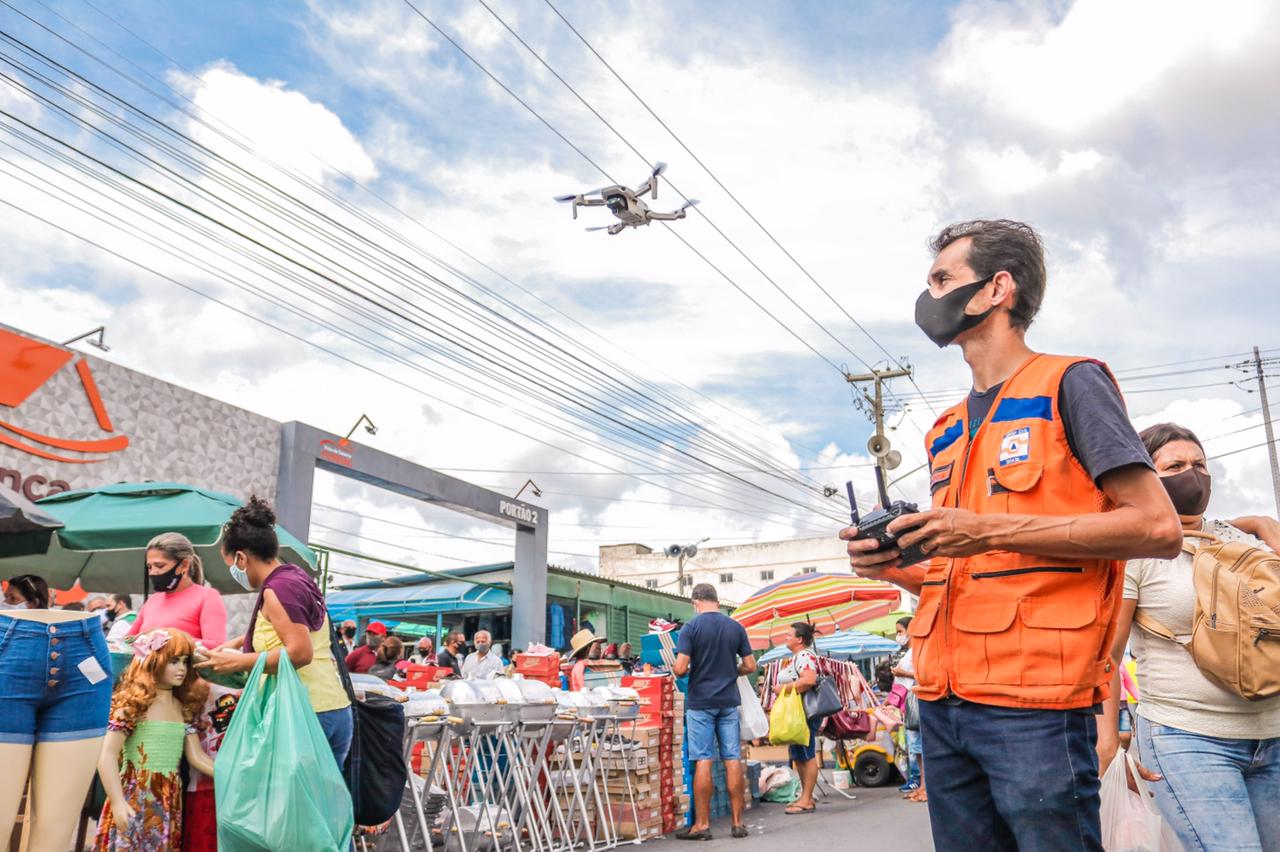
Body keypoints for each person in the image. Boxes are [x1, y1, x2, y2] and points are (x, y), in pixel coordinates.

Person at [843, 219, 1183, 852]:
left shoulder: (1070, 383)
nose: (929, 296)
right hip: (943, 699)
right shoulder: (945, 429)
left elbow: (1156, 527)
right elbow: (965, 569)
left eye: (943, 279)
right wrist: (890, 565)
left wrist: (985, 528)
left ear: (997, 288)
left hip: (1036, 702)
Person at [1096, 423, 1280, 851]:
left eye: (1199, 464)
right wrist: (1109, 747)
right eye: (1175, 465)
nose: (1192, 474)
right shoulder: (1131, 551)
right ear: (1146, 478)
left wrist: (1261, 523)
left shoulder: (1239, 539)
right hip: (1187, 739)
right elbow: (1108, 654)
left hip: (1271, 736)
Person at [198, 496, 353, 772]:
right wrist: (234, 645)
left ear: (242, 558)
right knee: (319, 808)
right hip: (329, 707)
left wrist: (237, 662)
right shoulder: (295, 577)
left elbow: (300, 653)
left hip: (306, 713)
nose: (232, 571)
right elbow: (281, 632)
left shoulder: (278, 590)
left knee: (291, 811)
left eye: (230, 564)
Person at [94, 628, 214, 851]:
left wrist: (230, 775)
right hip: (134, 794)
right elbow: (106, 755)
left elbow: (196, 756)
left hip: (167, 797)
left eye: (185, 662)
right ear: (153, 660)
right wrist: (118, 802)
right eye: (173, 661)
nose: (181, 669)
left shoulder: (183, 707)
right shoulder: (133, 705)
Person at [671, 583, 756, 841]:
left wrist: (689, 667)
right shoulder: (735, 626)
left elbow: (680, 668)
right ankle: (738, 823)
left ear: (696, 602)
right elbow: (750, 665)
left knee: (703, 759)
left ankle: (702, 825)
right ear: (716, 600)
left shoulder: (691, 628)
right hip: (729, 701)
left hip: (701, 703)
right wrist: (733, 671)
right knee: (732, 759)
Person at [129, 532, 228, 648]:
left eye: (160, 566)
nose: (152, 572)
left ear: (184, 565)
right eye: (149, 567)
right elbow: (129, 640)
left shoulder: (207, 597)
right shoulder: (153, 599)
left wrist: (166, 639)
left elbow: (216, 646)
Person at [771, 622, 820, 816]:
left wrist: (782, 688)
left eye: (789, 634)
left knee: (806, 754)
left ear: (799, 639)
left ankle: (807, 798)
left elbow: (809, 680)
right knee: (799, 754)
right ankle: (804, 796)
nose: (786, 637)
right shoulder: (797, 657)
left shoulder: (804, 655)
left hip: (803, 711)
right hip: (797, 712)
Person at [892, 616, 924, 799]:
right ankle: (921, 786)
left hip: (916, 702)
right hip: (909, 703)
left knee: (921, 748)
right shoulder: (908, 652)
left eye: (900, 631)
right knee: (916, 748)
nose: (899, 636)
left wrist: (903, 672)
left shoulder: (917, 651)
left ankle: (925, 787)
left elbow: (924, 673)